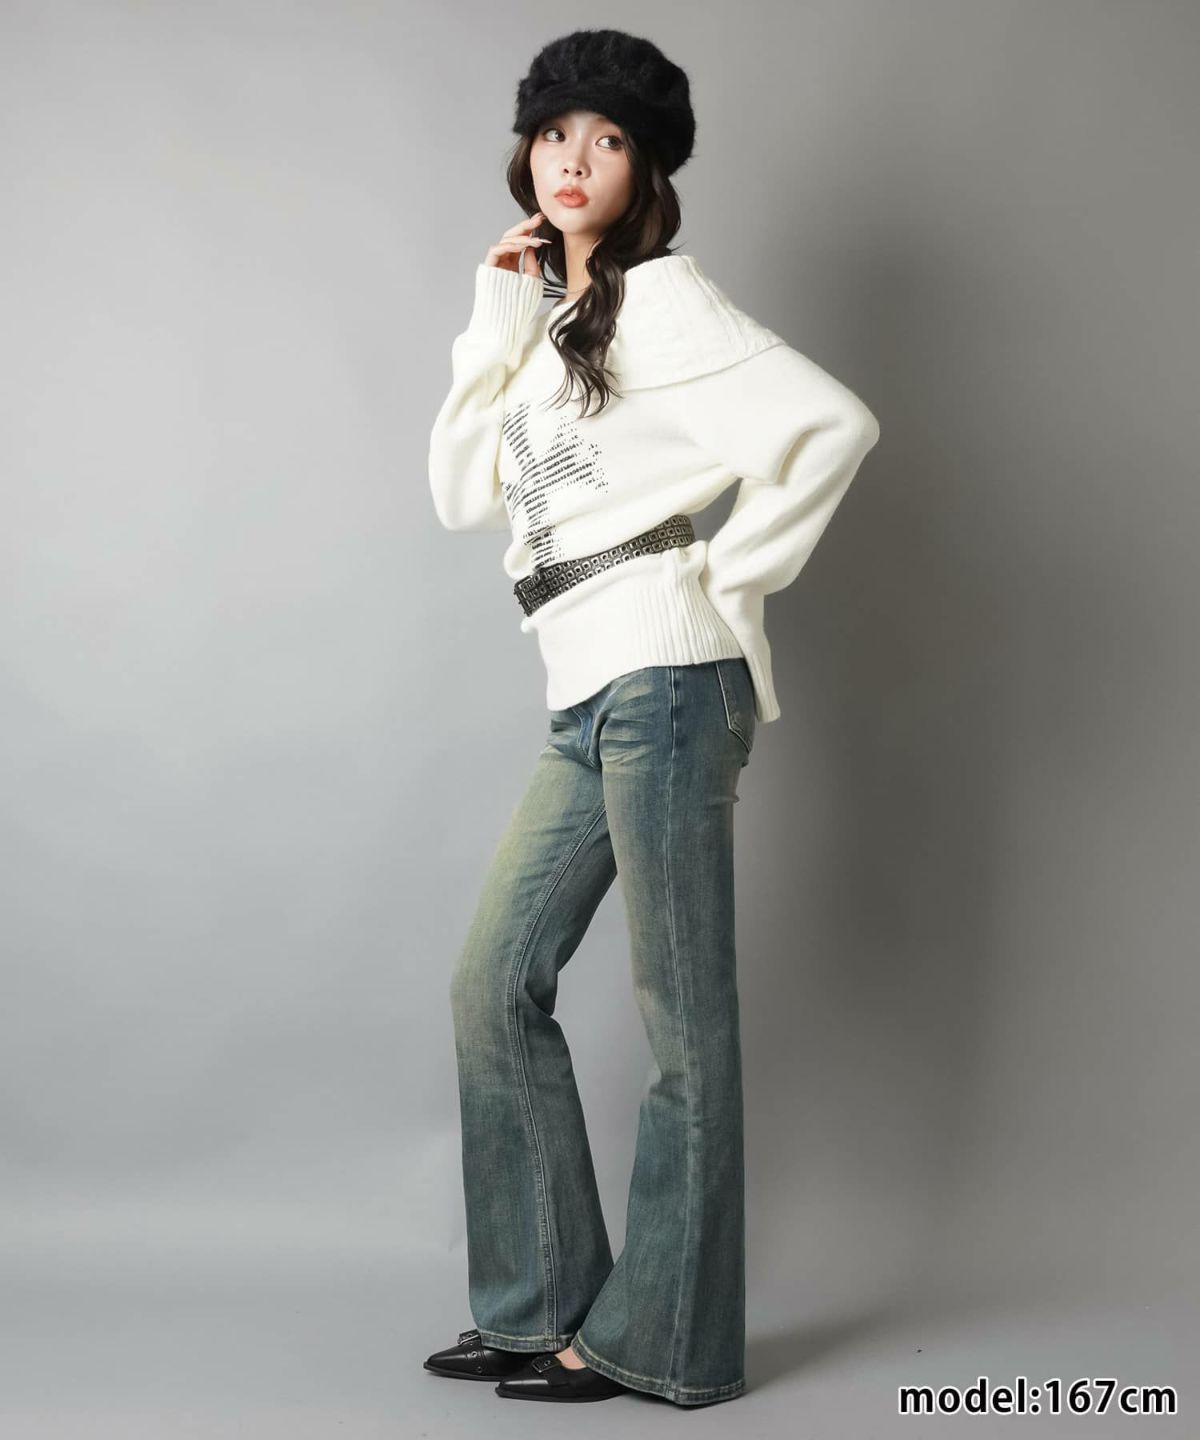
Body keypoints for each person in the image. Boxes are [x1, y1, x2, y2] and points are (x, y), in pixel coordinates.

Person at [421, 27, 880, 1407]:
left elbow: (834, 425)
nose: (574, 158)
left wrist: (729, 579)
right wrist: (496, 313)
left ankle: (666, 1340)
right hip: (587, 691)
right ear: (527, 152)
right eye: (555, 132)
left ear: (646, 170)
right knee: (492, 983)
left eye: (608, 139)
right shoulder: (547, 325)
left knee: (683, 1020)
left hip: (669, 679)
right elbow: (459, 493)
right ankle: (536, 1306)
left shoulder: (666, 300)